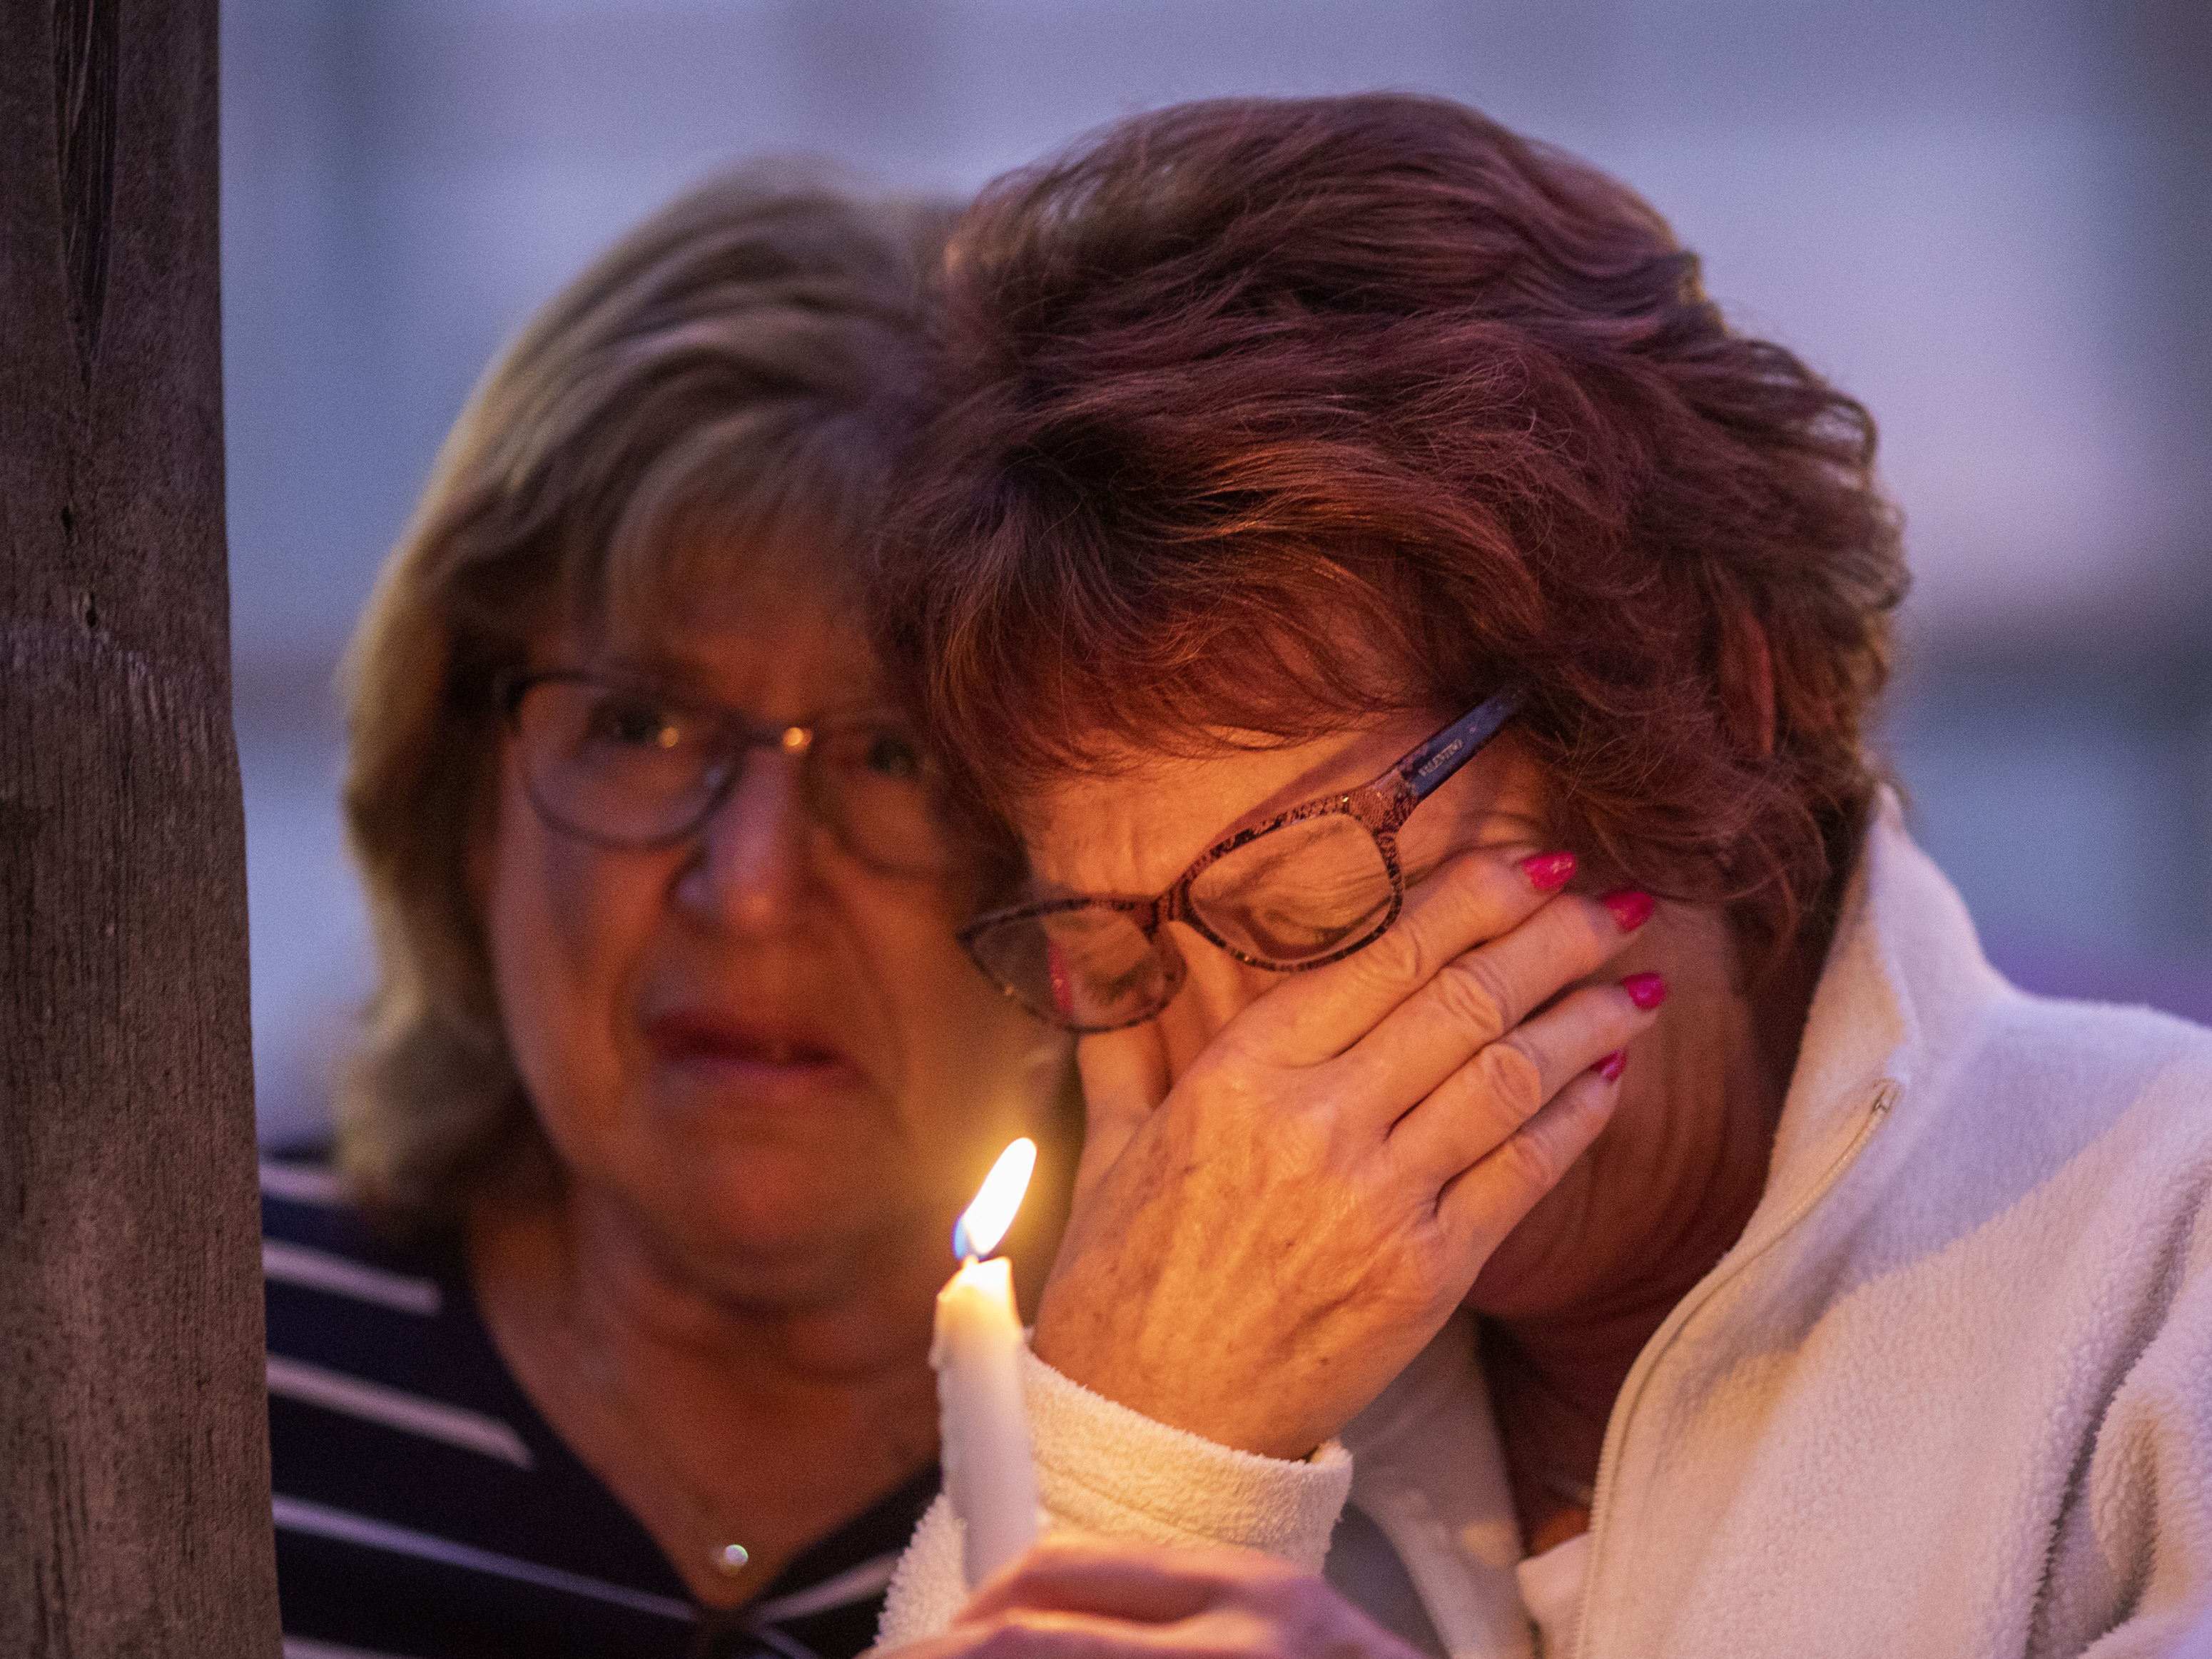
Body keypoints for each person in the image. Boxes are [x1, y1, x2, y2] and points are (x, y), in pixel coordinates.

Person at [865, 96, 2212, 1658]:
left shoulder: (2156, 1246)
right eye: (1120, 959)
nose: (1238, 1084)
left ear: (1706, 696)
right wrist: (1129, 1446)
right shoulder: (1130, 1337)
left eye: (1310, 898)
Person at [259, 166, 1072, 1659]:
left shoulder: (1250, 1458)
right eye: (640, 725)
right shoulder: (163, 1342)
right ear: (462, 794)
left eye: (897, 757)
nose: (750, 884)